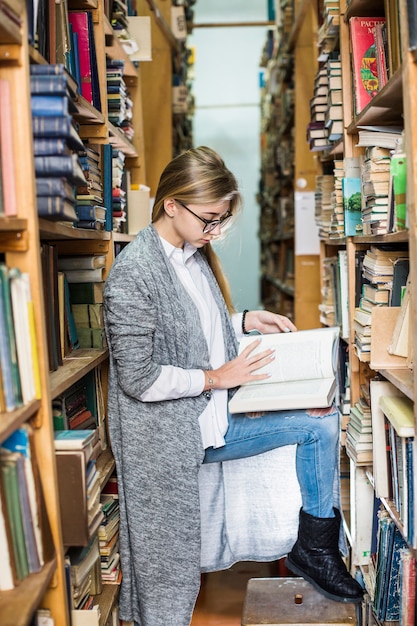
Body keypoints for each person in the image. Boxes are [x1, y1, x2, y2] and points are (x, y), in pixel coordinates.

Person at [103, 146, 364, 626]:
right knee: (166, 585)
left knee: (321, 420)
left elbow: (186, 327)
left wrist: (243, 320)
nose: (215, 231)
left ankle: (315, 546)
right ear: (171, 206)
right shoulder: (133, 273)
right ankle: (312, 548)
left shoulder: (190, 253)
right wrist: (218, 378)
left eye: (221, 220)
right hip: (169, 436)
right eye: (209, 219)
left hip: (210, 412)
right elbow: (139, 377)